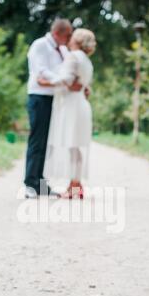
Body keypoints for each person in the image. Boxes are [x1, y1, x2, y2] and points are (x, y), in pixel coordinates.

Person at [24, 19, 81, 199]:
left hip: (54, 98)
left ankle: (39, 182)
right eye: (68, 35)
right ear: (57, 33)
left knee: (46, 143)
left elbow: (66, 70)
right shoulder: (39, 45)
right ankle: (30, 184)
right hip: (38, 97)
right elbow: (40, 71)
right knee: (36, 141)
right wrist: (64, 82)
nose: (70, 38)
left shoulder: (63, 50)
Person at [38, 29, 96, 199]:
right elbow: (80, 83)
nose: (69, 40)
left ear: (77, 40)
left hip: (72, 105)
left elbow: (65, 79)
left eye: (72, 37)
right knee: (76, 147)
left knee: (72, 145)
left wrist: (45, 82)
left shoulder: (73, 56)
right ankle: (76, 185)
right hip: (82, 104)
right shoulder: (86, 60)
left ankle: (74, 187)